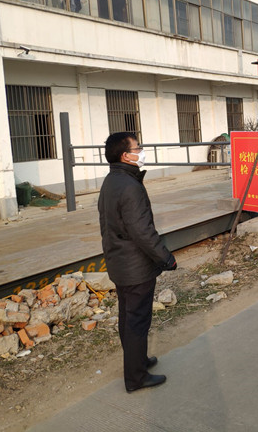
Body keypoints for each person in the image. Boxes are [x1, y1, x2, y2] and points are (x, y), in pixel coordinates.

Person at [98, 132, 177, 392]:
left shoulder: (112, 180)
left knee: (128, 317)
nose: (141, 151)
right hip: (135, 266)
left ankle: (138, 361)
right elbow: (142, 231)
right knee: (136, 322)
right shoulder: (130, 187)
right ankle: (136, 377)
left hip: (119, 261)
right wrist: (166, 258)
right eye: (137, 148)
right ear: (125, 155)